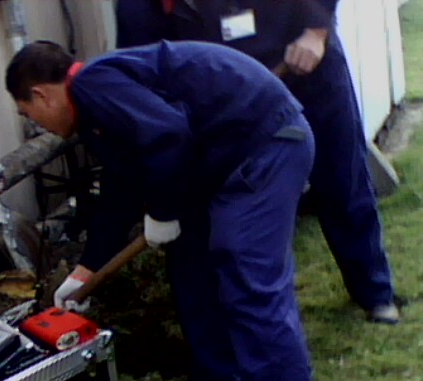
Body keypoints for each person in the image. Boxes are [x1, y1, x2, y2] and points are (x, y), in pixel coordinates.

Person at [5, 40, 332, 381]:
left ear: (41, 94)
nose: (36, 124)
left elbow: (169, 134)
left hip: (265, 149)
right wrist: (86, 270)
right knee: (231, 281)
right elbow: (121, 188)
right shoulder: (99, 105)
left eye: (28, 114)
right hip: (252, 152)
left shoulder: (95, 84)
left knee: (254, 294)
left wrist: (162, 211)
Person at [116, 0, 400, 328]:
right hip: (226, 96)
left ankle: (375, 291)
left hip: (301, 60)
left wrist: (316, 31)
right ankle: (222, 329)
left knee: (341, 179)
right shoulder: (141, 7)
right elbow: (145, 64)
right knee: (206, 209)